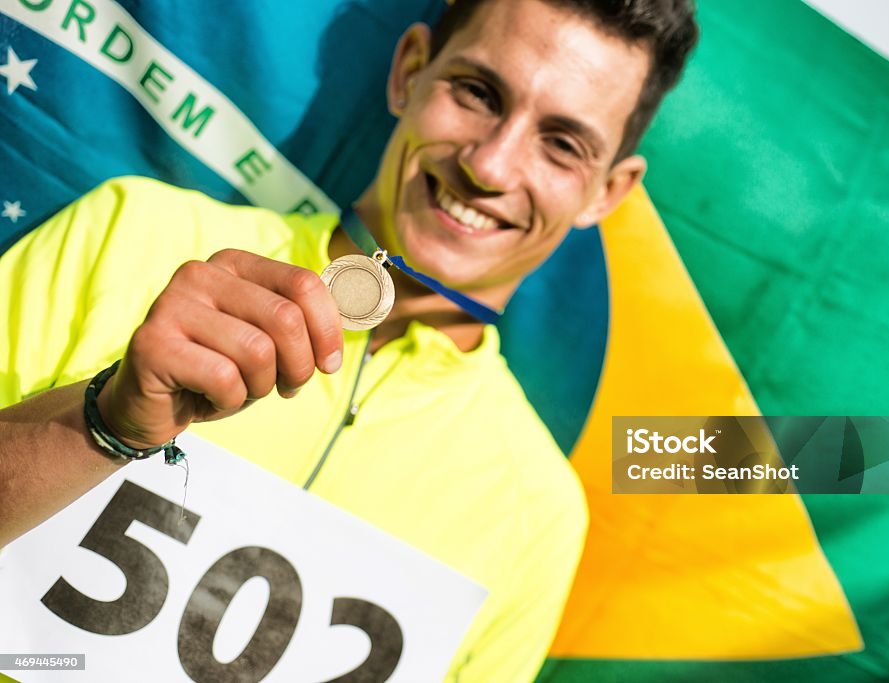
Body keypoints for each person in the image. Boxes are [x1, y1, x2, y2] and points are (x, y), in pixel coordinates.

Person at [0, 0, 697, 679]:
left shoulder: (538, 514)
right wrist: (102, 423)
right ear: (409, 71)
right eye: (479, 92)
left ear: (607, 193)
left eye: (562, 144)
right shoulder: (130, 233)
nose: (490, 167)